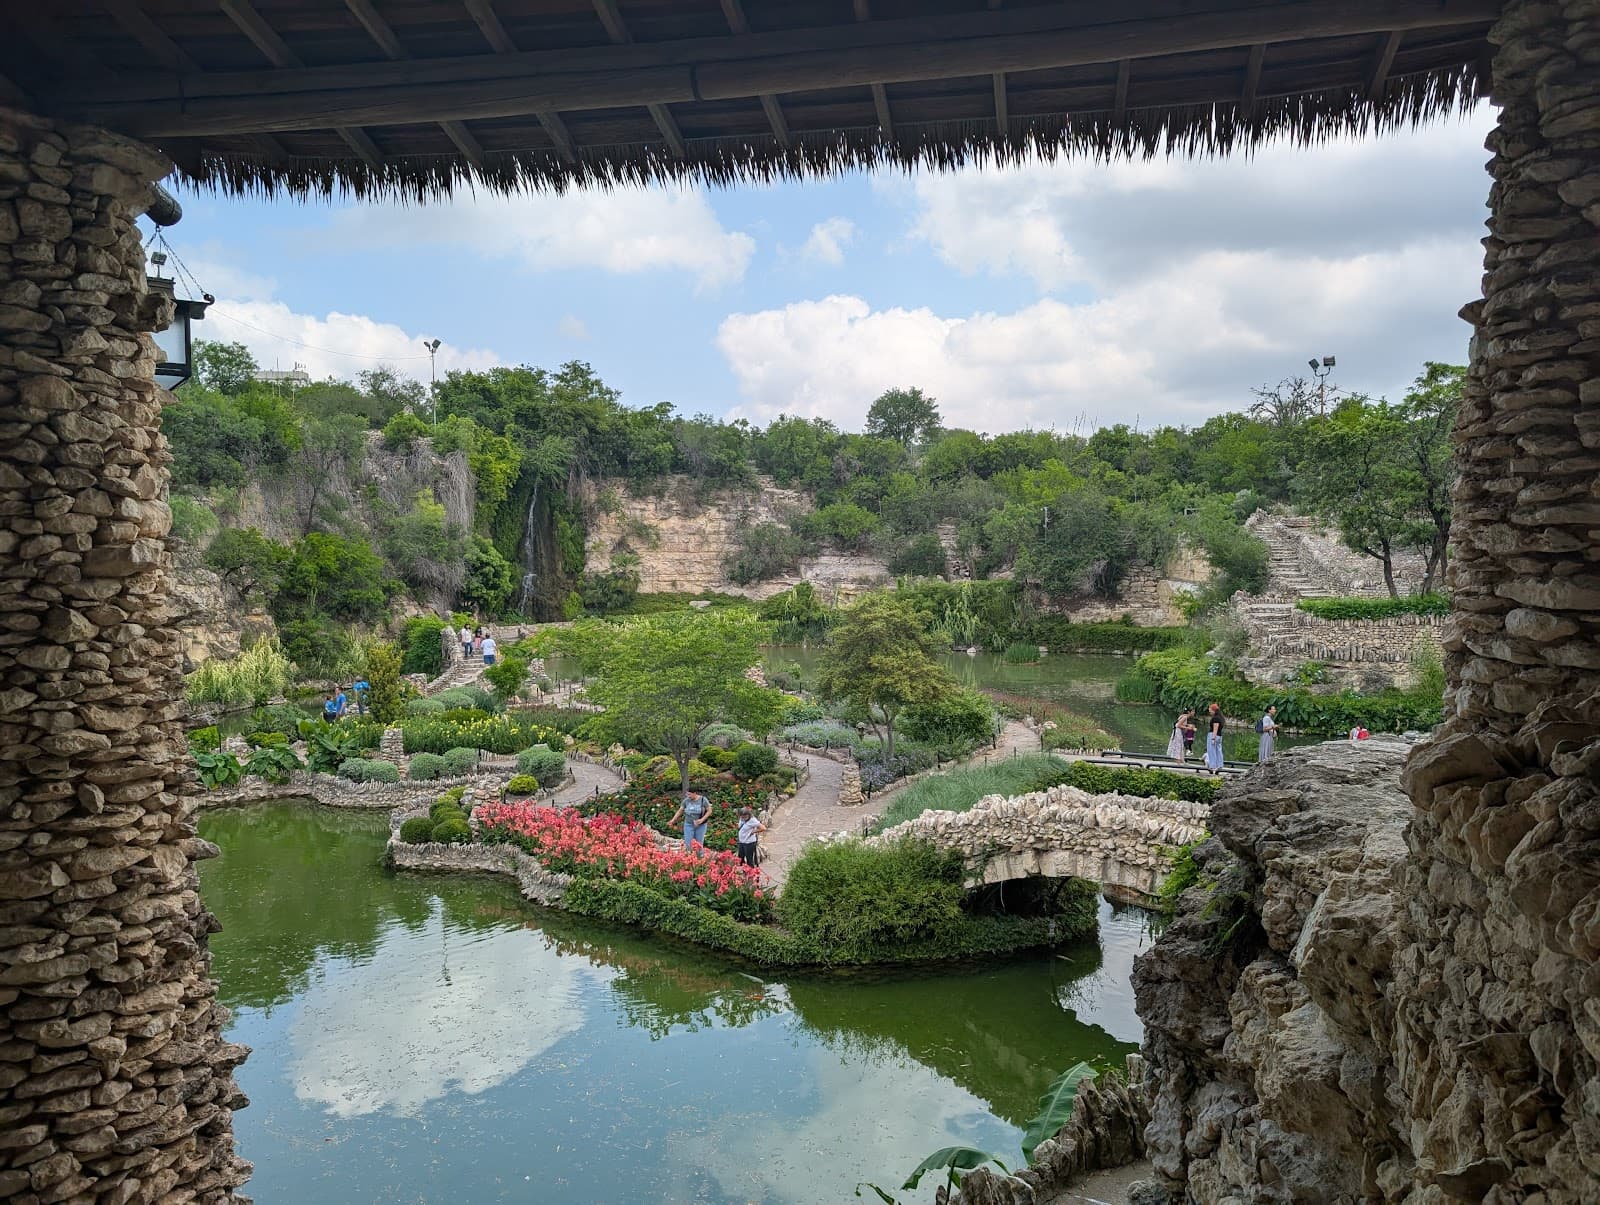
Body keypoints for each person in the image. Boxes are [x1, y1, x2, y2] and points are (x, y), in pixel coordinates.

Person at [670, 788, 712, 857]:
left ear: (694, 793)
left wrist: (702, 820)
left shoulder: (703, 800)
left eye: (689, 794)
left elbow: (709, 811)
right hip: (689, 824)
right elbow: (680, 811)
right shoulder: (686, 801)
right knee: (688, 843)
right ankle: (689, 858)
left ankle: (700, 858)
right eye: (687, 794)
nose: (688, 796)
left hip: (700, 825)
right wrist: (673, 820)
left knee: (699, 843)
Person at [1204, 702, 1225, 773]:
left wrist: (1213, 738)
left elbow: (1215, 728)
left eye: (1210, 710)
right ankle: (1219, 765)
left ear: (1214, 710)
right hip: (1219, 736)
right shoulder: (1221, 718)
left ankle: (1212, 766)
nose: (1210, 712)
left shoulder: (1216, 718)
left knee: (1211, 751)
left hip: (1213, 735)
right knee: (1218, 751)